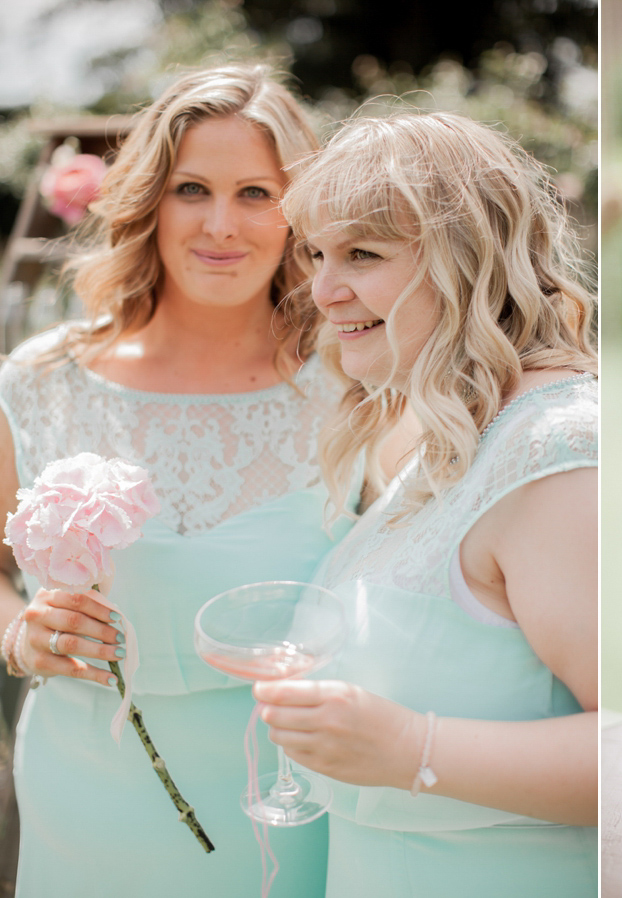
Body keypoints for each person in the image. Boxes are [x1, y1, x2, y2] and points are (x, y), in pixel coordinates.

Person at [0, 65, 350, 895]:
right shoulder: (35, 382)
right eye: (192, 188)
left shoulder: (357, 387)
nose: (221, 225)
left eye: (257, 193)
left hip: (296, 804)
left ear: (300, 210)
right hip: (83, 801)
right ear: (148, 201)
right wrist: (17, 636)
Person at [254, 111, 598, 896]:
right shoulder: (449, 431)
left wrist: (412, 746)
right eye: (317, 255)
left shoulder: (559, 452)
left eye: (362, 255)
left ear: (467, 258)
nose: (324, 290)